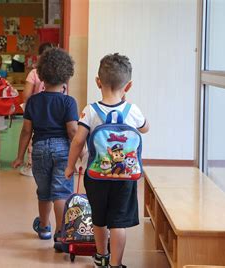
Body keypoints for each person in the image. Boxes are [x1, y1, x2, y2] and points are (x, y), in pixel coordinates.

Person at [65, 53, 150, 268]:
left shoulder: (90, 111)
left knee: (99, 219)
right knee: (118, 223)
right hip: (125, 177)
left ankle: (101, 257)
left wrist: (70, 166)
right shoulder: (133, 110)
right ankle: (116, 263)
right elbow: (145, 128)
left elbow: (77, 141)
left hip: (96, 176)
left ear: (97, 81)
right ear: (128, 86)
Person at [12, 48, 78, 249]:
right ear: (67, 77)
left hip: (39, 148)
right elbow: (73, 131)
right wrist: (80, 153)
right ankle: (61, 234)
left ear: (40, 75)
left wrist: (19, 156)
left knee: (44, 191)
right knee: (61, 192)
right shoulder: (68, 102)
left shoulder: (33, 101)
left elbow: (26, 131)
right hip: (63, 150)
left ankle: (44, 227)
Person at [19, 42, 55, 177]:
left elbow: (27, 94)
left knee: (32, 135)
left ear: (39, 56)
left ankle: (31, 165)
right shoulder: (59, 73)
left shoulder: (34, 73)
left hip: (37, 109)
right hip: (55, 110)